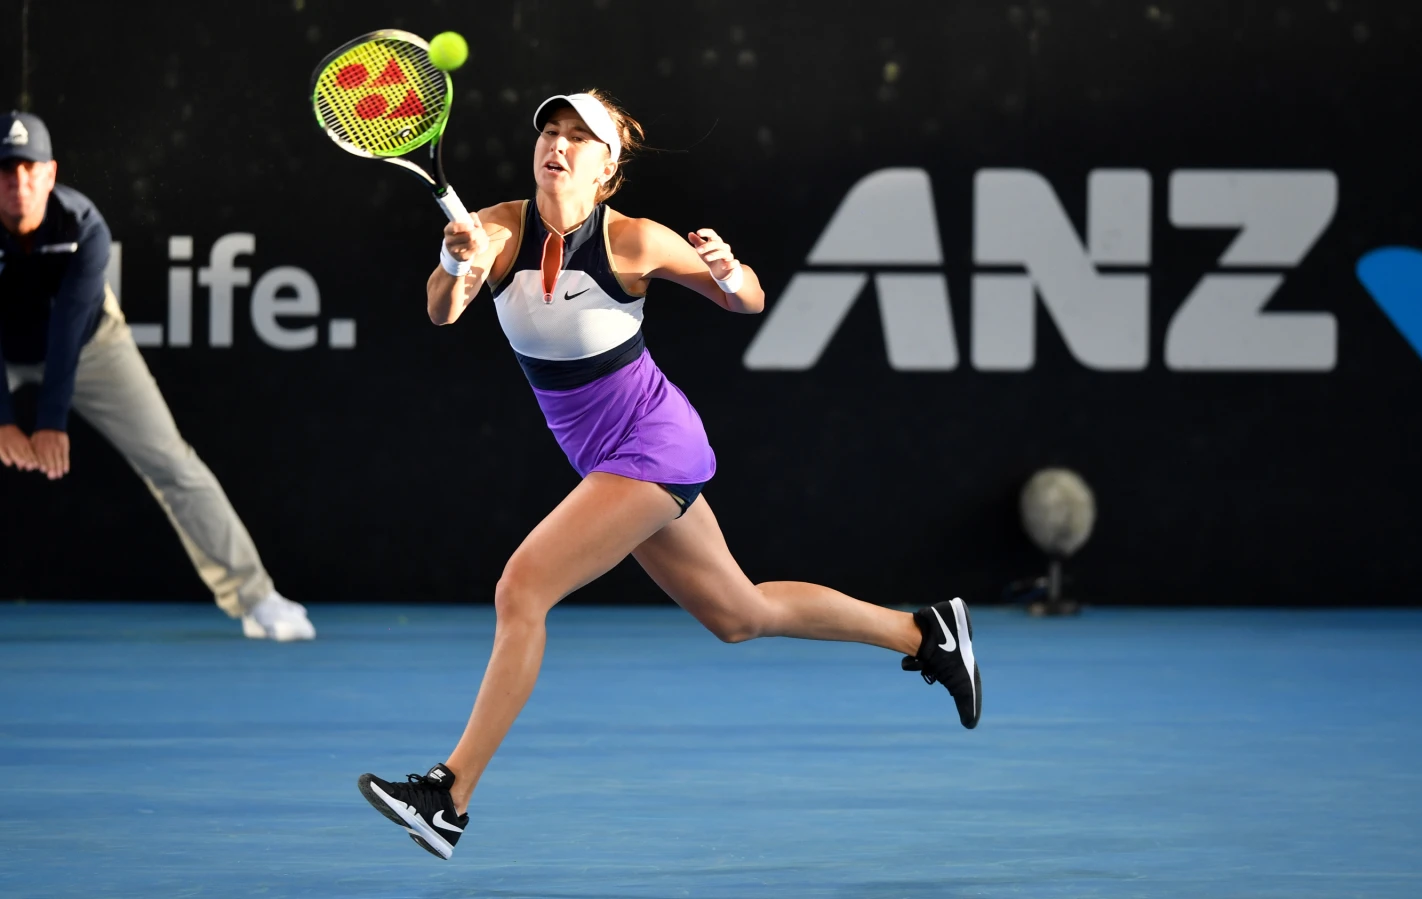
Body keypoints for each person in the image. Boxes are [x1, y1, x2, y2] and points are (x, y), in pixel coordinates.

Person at [356, 91, 981, 861]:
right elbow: (442, 311)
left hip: (653, 446)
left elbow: (747, 298)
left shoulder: (635, 242)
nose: (558, 145)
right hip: (608, 459)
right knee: (738, 613)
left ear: (608, 169)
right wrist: (456, 263)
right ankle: (924, 632)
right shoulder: (495, 227)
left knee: (522, 588)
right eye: (549, 132)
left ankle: (447, 796)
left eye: (579, 139)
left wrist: (729, 269)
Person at [0, 111, 315, 642]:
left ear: (51, 174)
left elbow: (68, 329)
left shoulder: (85, 227)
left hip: (89, 344)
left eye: (31, 171)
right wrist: (5, 421)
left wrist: (50, 421)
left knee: (172, 462)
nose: (19, 185)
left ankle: (257, 597)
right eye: (7, 173)